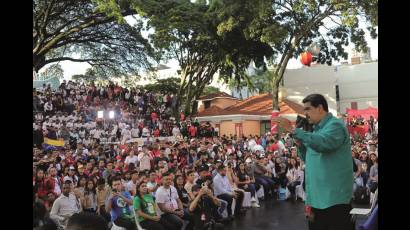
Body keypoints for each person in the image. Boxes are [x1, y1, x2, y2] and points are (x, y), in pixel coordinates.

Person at [274, 94, 353, 230]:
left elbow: (323, 143)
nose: (305, 113)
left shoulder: (335, 125)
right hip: (317, 200)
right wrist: (301, 145)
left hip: (334, 201)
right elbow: (308, 159)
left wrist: (294, 130)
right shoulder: (315, 131)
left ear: (320, 108)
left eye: (308, 109)